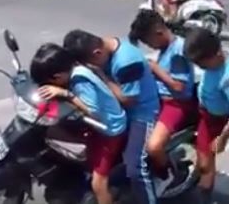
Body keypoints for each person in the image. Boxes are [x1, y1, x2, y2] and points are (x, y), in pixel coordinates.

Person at [63, 30, 160, 204]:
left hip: (141, 113)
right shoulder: (107, 48)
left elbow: (128, 100)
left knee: (135, 167)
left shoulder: (126, 61)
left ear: (97, 53)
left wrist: (101, 75)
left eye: (89, 64)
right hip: (119, 111)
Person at [29, 43, 128, 204]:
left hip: (109, 130)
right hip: (97, 124)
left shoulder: (79, 81)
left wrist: (65, 93)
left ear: (58, 77)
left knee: (98, 184)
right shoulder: (75, 68)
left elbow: (93, 112)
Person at [129, 9, 196, 195]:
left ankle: (167, 175)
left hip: (175, 104)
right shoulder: (166, 47)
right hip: (156, 100)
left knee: (153, 146)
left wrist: (155, 68)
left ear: (158, 32)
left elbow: (179, 87)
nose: (150, 45)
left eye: (148, 41)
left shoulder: (178, 51)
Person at [183, 28, 229, 204]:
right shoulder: (219, 57)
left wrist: (223, 138)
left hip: (214, 119)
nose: (200, 68)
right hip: (204, 105)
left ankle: (204, 194)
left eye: (202, 65)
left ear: (217, 53)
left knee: (206, 163)